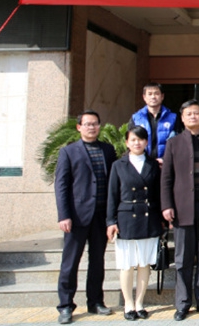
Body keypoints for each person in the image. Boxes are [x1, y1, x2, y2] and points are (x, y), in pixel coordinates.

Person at [160, 100, 199, 321]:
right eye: (188, 114)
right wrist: (167, 205)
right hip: (182, 208)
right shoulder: (174, 143)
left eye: (196, 113)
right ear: (182, 117)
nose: (193, 117)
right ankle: (183, 303)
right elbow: (166, 178)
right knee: (183, 258)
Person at [54, 110, 116, 324]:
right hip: (76, 217)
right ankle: (65, 305)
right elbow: (61, 186)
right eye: (88, 124)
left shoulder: (108, 150)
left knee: (97, 261)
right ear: (79, 127)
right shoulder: (68, 152)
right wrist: (64, 215)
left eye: (95, 124)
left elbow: (113, 182)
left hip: (101, 216)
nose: (92, 127)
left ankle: (95, 301)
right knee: (70, 263)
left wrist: (112, 217)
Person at [106, 126, 163, 321]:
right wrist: (111, 221)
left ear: (146, 142)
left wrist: (163, 219)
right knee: (127, 264)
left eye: (140, 139)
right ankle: (128, 303)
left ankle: (140, 302)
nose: (137, 143)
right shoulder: (118, 165)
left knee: (144, 263)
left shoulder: (153, 164)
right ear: (127, 142)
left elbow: (159, 193)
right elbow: (112, 195)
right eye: (133, 139)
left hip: (149, 217)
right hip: (126, 218)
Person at [129, 82, 179, 163]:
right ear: (144, 97)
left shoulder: (173, 118)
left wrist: (164, 159)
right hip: (143, 162)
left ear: (162, 96)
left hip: (165, 163)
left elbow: (177, 141)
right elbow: (131, 141)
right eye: (150, 94)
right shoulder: (136, 118)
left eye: (156, 94)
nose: (153, 97)